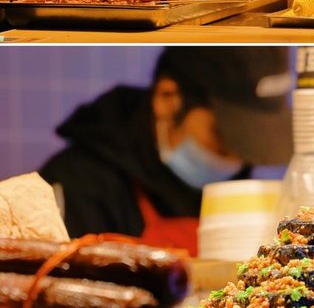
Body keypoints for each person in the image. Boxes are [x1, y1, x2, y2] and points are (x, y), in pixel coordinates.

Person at [39, 47, 293, 254]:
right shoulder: (80, 186)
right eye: (224, 137)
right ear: (167, 98)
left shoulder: (240, 181)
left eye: (250, 143)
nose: (235, 160)